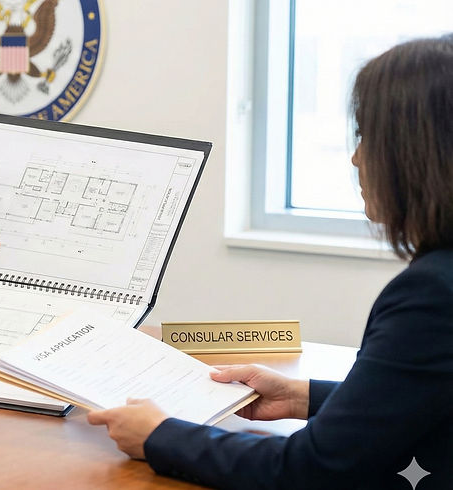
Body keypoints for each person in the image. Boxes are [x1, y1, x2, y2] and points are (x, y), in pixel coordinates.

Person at [86, 34, 453, 489]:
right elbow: (422, 396)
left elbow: (310, 469)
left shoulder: (432, 294)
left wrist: (160, 436)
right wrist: (302, 395)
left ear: (417, 152)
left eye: (367, 137)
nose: (356, 158)